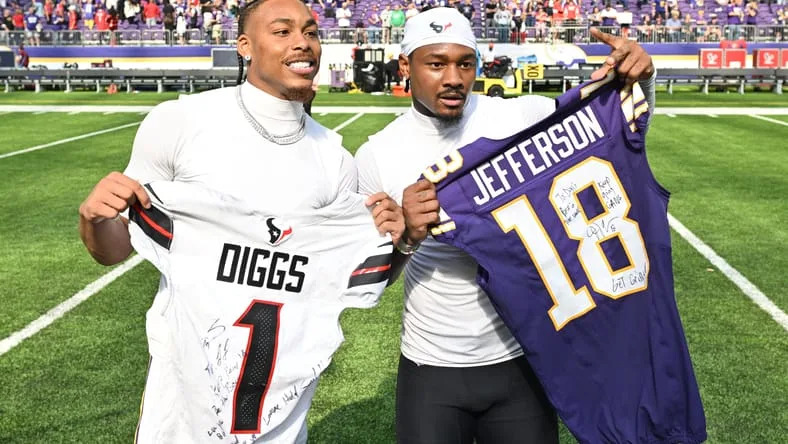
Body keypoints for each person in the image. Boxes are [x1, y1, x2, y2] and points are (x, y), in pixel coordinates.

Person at [78, 0, 401, 441]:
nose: (303, 43)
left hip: (281, 415)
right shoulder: (181, 121)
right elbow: (112, 251)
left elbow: (351, 279)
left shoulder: (335, 160)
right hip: (180, 406)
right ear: (244, 46)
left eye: (311, 32)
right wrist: (95, 219)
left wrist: (397, 237)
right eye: (282, 31)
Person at [354, 7, 657, 443]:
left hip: (522, 357)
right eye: (436, 63)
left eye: (465, 62)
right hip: (431, 365)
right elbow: (371, 283)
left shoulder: (520, 118)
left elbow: (618, 134)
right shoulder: (378, 154)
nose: (454, 78)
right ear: (406, 66)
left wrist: (641, 80)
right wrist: (408, 240)